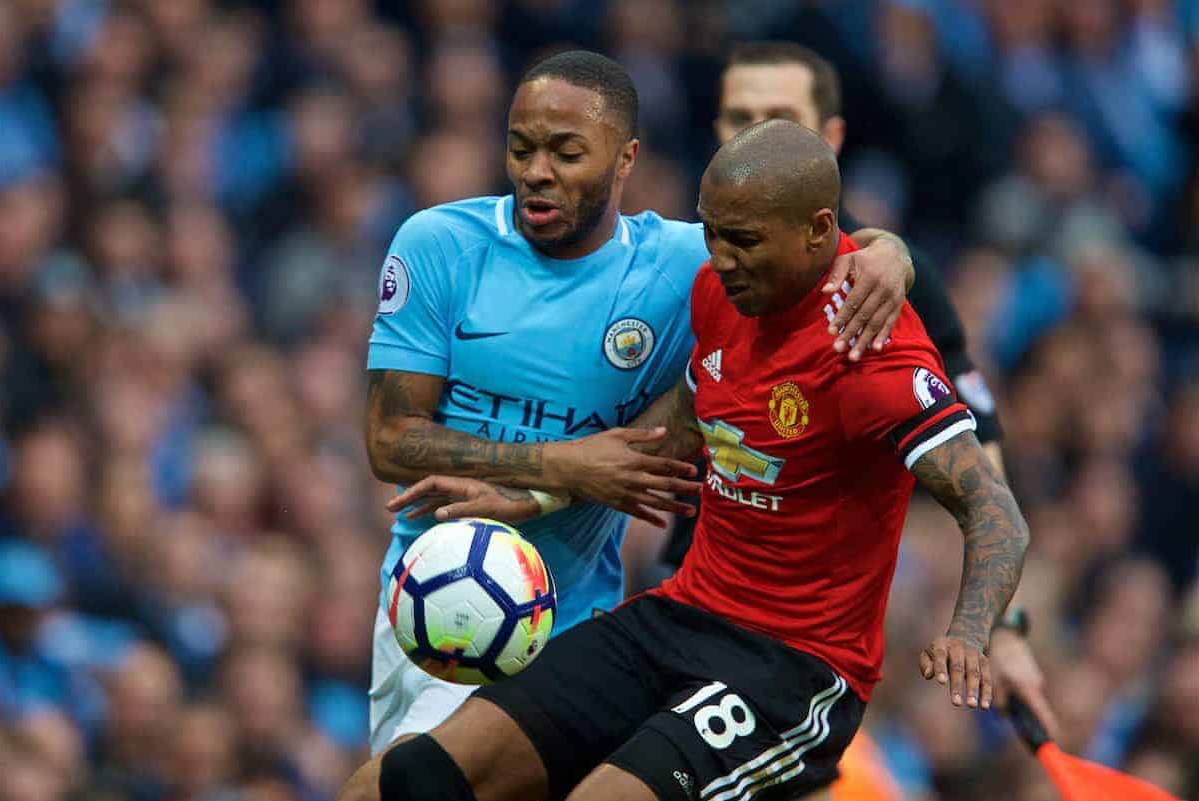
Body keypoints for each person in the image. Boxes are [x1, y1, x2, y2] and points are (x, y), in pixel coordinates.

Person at [341, 120, 1031, 801]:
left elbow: (993, 508)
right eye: (712, 233)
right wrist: (536, 497)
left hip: (790, 672)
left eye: (744, 241)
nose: (722, 258)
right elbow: (675, 432)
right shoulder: (719, 295)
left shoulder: (869, 350)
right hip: (680, 616)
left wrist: (971, 630)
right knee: (408, 777)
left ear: (818, 232)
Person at [362, 49, 916, 753]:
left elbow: (819, 250)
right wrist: (565, 464)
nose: (538, 171)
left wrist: (890, 252)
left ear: (625, 159)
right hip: (438, 605)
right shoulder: (439, 244)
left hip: (580, 626)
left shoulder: (680, 266)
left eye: (566, 152)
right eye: (521, 147)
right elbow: (389, 439)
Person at [708, 42, 1058, 749]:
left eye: (778, 116)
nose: (753, 134)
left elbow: (977, 453)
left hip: (795, 645)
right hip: (681, 587)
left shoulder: (883, 282)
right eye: (737, 116)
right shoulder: (675, 255)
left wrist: (1008, 629)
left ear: (829, 141)